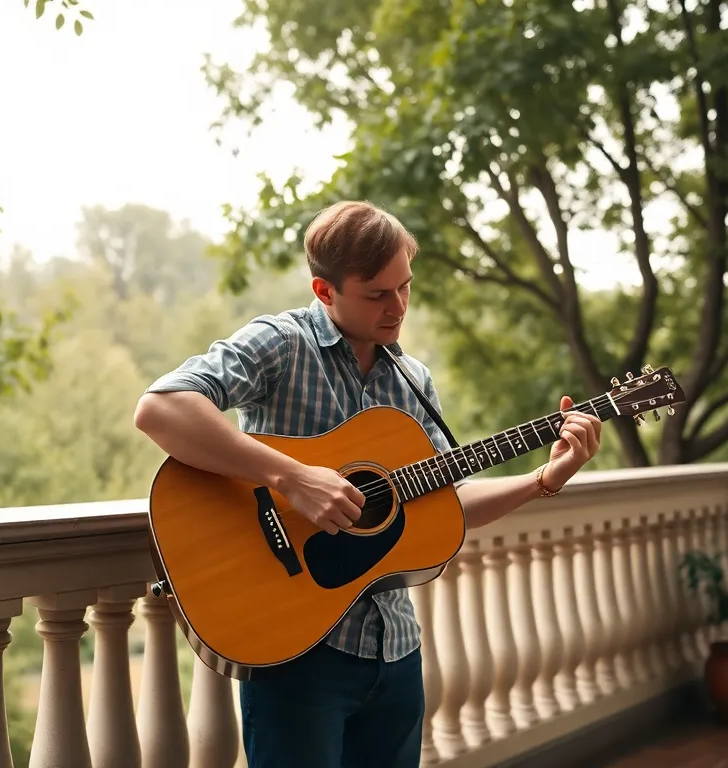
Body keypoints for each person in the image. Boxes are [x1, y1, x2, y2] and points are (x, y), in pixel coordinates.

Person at [133, 200, 602, 768]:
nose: (398, 306)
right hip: (295, 648)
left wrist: (541, 480)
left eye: (405, 286)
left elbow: (445, 503)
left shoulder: (413, 380)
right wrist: (293, 476)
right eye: (377, 294)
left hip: (396, 650)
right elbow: (160, 408)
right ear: (325, 291)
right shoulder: (281, 345)